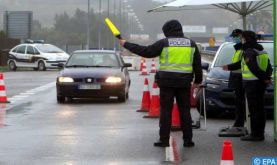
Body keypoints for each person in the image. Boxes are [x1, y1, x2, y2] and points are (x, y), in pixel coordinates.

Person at [119, 20, 202, 147]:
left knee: (166, 112)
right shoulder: (191, 44)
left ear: (168, 31)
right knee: (185, 111)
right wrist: (198, 81)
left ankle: (163, 140)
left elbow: (146, 51)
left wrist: (126, 44)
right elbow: (197, 65)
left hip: (167, 82)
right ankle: (188, 140)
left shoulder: (164, 43)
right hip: (184, 82)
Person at [225, 31, 272, 141]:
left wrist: (264, 78)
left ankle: (256, 134)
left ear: (246, 39)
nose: (241, 40)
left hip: (252, 84)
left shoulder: (249, 51)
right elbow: (268, 66)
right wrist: (266, 77)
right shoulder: (260, 49)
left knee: (254, 110)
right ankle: (260, 132)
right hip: (259, 83)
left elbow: (253, 68)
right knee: (260, 109)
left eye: (242, 38)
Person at [223, 29, 245, 128]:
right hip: (236, 78)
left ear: (241, 36)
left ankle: (239, 123)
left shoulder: (244, 49)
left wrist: (229, 67)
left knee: (240, 103)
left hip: (242, 78)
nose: (234, 39)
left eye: (235, 37)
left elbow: (241, 63)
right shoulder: (238, 48)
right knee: (238, 102)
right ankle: (238, 122)